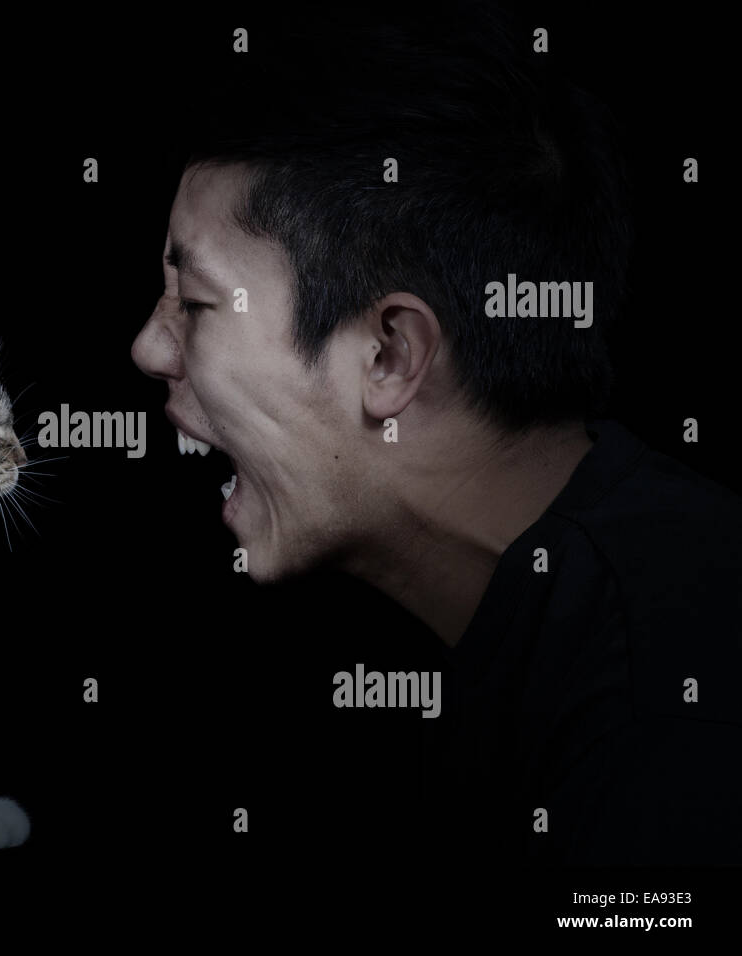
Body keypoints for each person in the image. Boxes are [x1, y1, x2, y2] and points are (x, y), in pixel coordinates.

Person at [130, 4, 742, 864]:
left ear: (389, 354)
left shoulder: (667, 715)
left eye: (195, 305)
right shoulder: (532, 638)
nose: (149, 347)